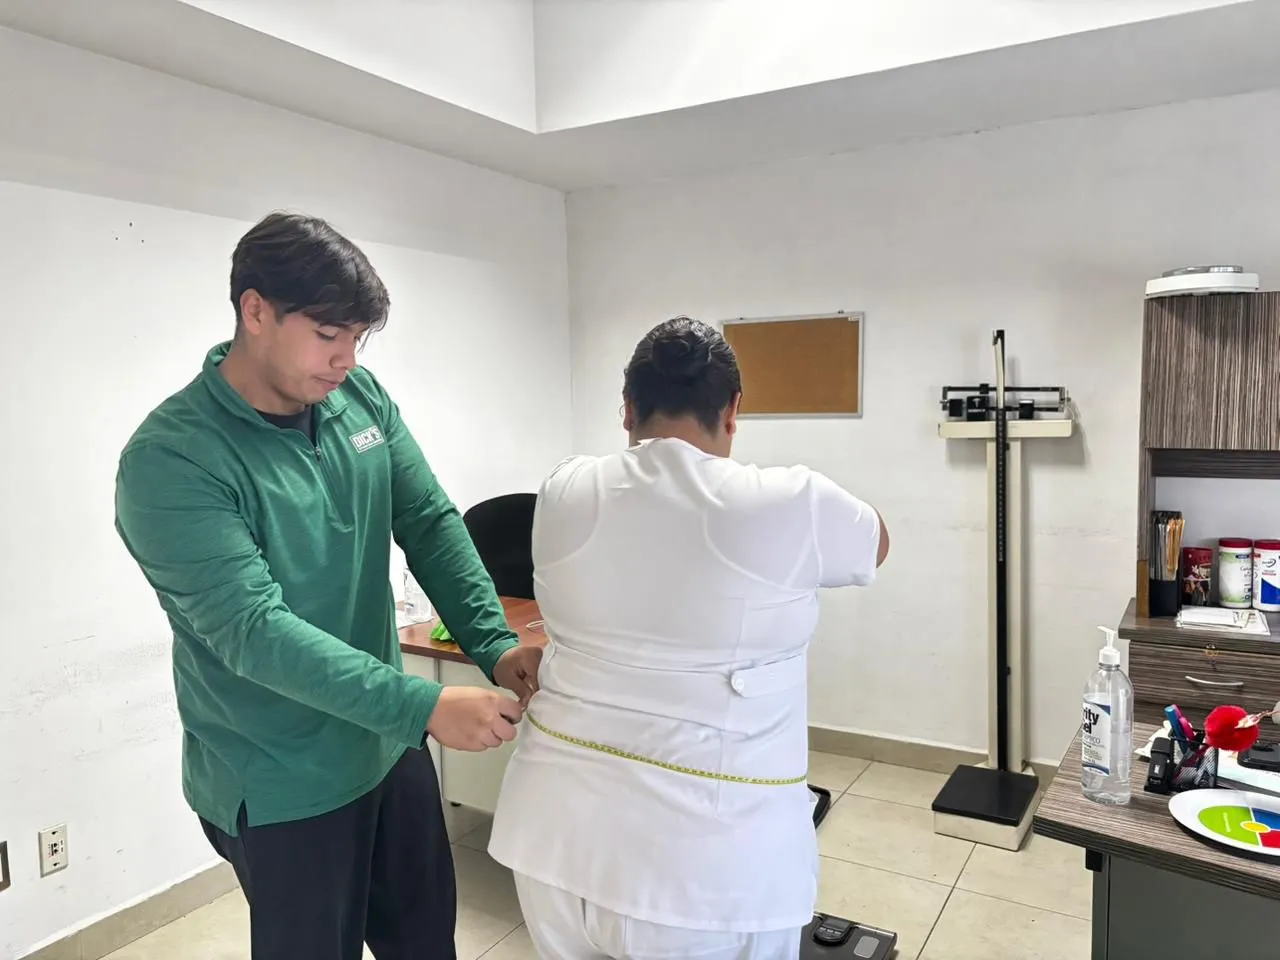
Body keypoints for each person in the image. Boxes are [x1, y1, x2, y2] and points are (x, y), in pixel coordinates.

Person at [113, 211, 543, 960]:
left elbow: (429, 521)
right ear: (254, 311)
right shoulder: (172, 460)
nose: (345, 359)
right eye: (326, 335)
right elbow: (253, 632)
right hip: (281, 779)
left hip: (387, 744)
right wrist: (423, 704)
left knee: (426, 945)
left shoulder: (358, 400)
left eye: (357, 338)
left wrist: (496, 646)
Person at [487, 317, 890, 959]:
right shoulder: (790, 501)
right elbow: (876, 543)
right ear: (733, 411)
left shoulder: (564, 488)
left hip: (555, 841)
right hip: (707, 871)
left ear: (626, 410)